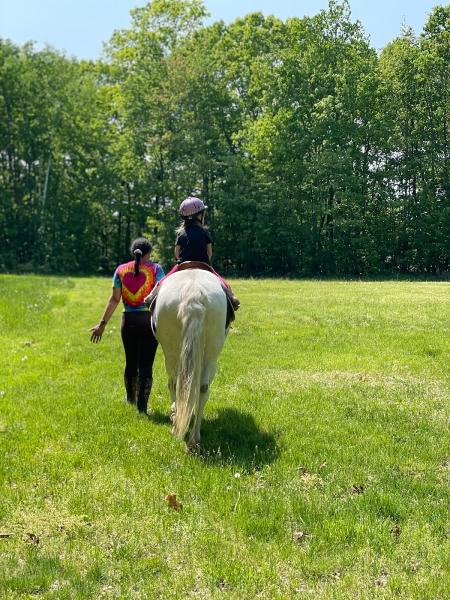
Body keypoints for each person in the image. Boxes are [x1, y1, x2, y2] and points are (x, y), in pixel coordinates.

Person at [90, 238, 164, 414]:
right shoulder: (156, 269)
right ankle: (142, 408)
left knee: (131, 362)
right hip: (149, 321)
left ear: (133, 252)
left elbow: (115, 299)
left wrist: (102, 324)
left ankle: (130, 399)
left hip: (128, 322)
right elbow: (161, 292)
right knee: (146, 365)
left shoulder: (121, 270)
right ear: (149, 253)